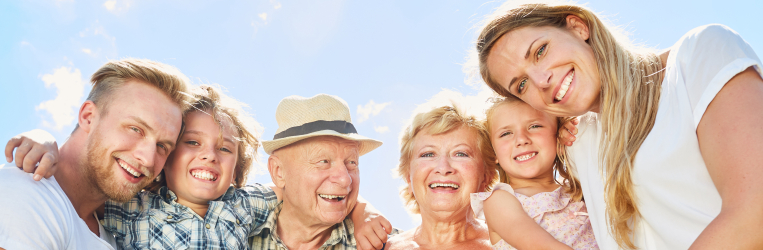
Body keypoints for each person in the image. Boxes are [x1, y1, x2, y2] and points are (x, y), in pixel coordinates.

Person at [474, 1, 763, 249]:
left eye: (540, 51)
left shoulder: (697, 57)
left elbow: (754, 211)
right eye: (522, 85)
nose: (540, 80)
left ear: (578, 27)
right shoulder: (577, 141)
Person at [6, 90, 393, 250]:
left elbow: (313, 191)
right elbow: (89, 175)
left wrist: (363, 212)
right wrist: (47, 142)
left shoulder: (243, 204)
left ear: (237, 166)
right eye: (192, 143)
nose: (209, 156)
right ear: (167, 156)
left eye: (225, 149)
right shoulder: (134, 207)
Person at [0, 58, 191, 249]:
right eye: (135, 129)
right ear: (88, 117)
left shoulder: (115, 234)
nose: (148, 159)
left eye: (162, 146)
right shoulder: (26, 195)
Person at [249, 93, 397, 250]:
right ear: (278, 172)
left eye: (351, 162)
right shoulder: (236, 230)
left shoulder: (389, 244)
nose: (345, 180)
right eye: (323, 161)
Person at [470, 96, 597, 250]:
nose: (521, 139)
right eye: (506, 134)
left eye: (535, 126)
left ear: (557, 134)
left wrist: (576, 135)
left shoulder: (576, 189)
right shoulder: (499, 200)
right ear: (493, 152)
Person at [385, 104, 497, 250]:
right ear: (408, 178)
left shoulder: (512, 244)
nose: (443, 168)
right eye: (428, 154)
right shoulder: (382, 247)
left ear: (486, 177)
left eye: (461, 154)